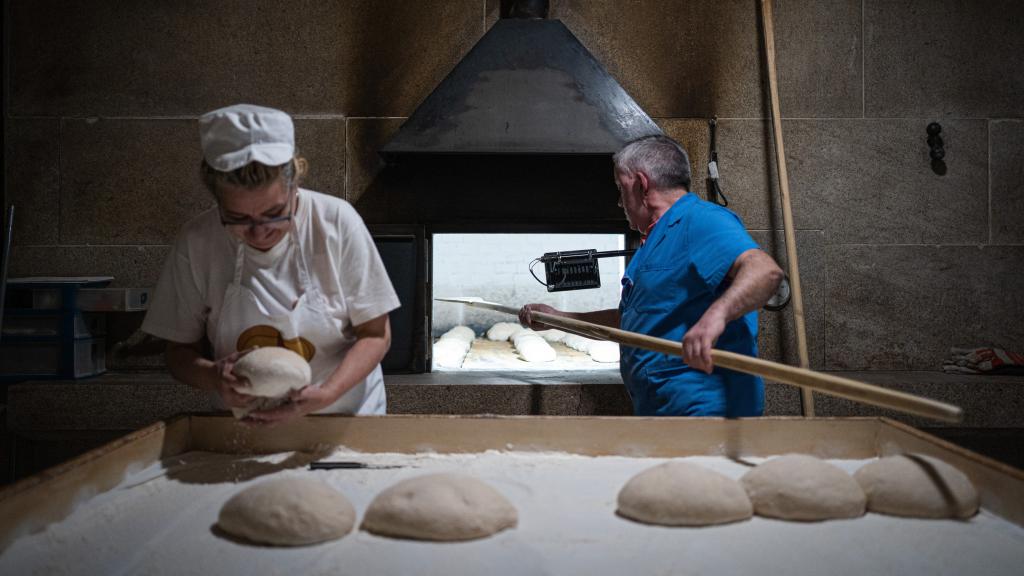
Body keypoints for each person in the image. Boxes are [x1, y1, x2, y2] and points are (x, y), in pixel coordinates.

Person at [142, 104, 400, 423]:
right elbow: (179, 353)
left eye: (274, 213)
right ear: (216, 200)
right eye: (237, 218)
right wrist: (213, 376)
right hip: (244, 426)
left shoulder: (336, 222)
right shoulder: (198, 241)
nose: (259, 231)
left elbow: (376, 335)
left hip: (341, 419)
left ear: (295, 183)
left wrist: (327, 394)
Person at [520, 135, 783, 417]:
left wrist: (714, 317)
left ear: (642, 185)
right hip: (663, 409)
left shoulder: (701, 220)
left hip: (707, 412)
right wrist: (558, 319)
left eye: (621, 188)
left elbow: (765, 271)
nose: (620, 202)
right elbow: (631, 322)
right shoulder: (655, 240)